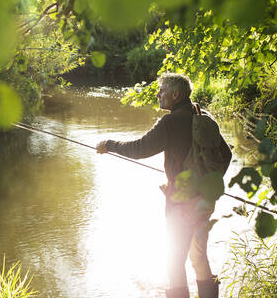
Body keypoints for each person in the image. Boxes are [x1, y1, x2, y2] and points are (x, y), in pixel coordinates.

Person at [96, 73, 228, 298]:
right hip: (205, 202)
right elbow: (226, 155)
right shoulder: (204, 117)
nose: (158, 94)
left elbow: (139, 149)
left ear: (175, 95)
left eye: (162, 90)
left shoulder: (170, 122)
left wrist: (109, 144)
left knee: (174, 263)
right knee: (199, 257)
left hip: (181, 206)